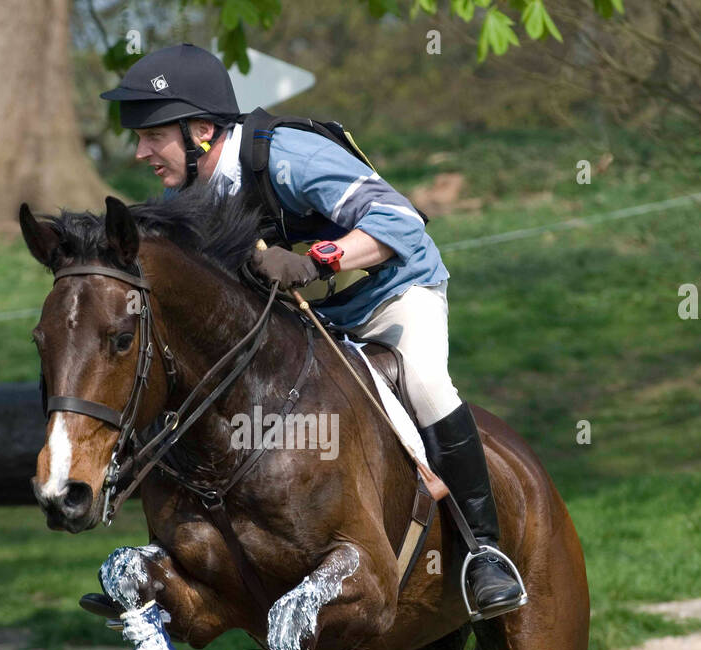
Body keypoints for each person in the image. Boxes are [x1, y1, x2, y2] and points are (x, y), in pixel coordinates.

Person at [101, 43, 523, 618]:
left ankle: (486, 554)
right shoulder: (188, 196)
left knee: (426, 384)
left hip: (390, 295)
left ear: (201, 131)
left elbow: (401, 219)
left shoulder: (288, 157)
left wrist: (318, 258)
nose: (140, 151)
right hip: (309, 319)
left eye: (152, 136)